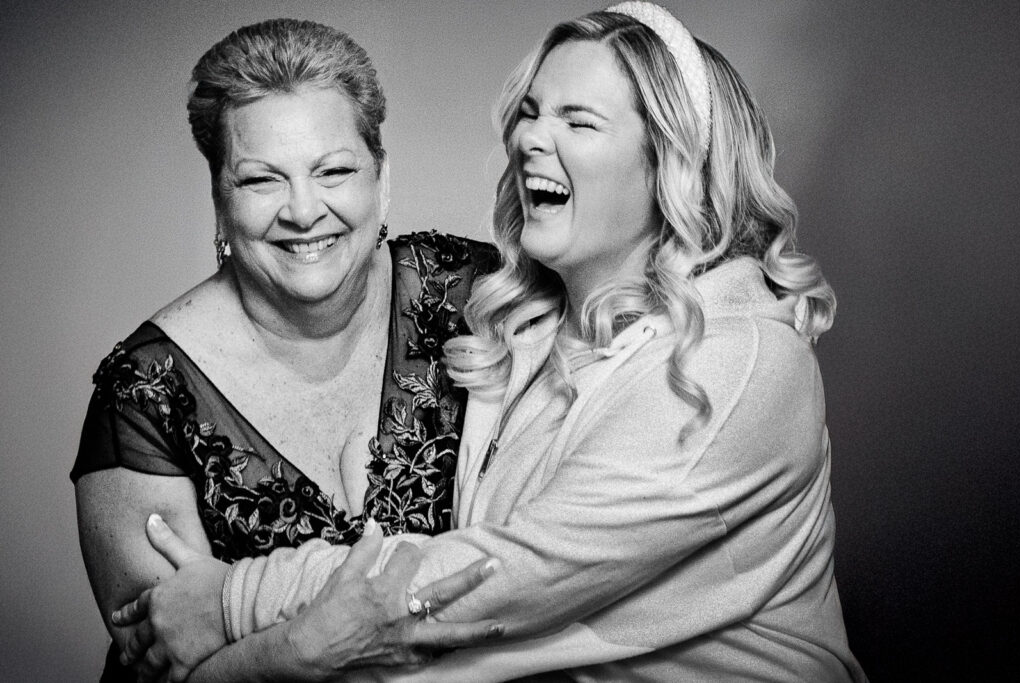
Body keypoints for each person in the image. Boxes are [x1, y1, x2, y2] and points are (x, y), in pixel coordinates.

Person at [115, 3, 867, 681]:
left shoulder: (733, 361)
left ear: (671, 162)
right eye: (532, 112)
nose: (530, 136)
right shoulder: (522, 327)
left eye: (579, 121)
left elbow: (500, 577)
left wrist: (234, 602)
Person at [71, 18, 506, 683]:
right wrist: (306, 648)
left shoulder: (472, 294)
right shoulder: (144, 395)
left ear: (381, 179)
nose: (304, 211)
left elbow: (561, 541)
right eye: (260, 181)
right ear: (218, 198)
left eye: (334, 170)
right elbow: (159, 674)